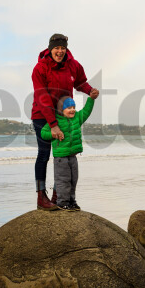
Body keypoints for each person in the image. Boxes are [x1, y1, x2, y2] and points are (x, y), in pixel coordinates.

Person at [31, 33, 99, 210]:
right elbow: (42, 97)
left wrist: (90, 91)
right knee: (44, 154)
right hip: (42, 115)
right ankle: (41, 197)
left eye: (63, 48)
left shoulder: (73, 65)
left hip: (63, 115)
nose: (60, 51)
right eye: (56, 48)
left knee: (64, 155)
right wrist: (53, 125)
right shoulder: (40, 68)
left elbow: (80, 82)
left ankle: (58, 196)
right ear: (50, 49)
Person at [40, 96, 94, 210]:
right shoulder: (55, 121)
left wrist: (91, 99)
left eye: (74, 107)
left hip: (73, 156)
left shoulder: (77, 118)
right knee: (63, 180)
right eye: (69, 107)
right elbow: (43, 133)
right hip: (61, 158)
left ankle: (71, 201)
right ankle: (62, 202)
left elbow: (86, 110)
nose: (72, 110)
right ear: (61, 110)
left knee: (73, 179)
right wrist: (53, 134)